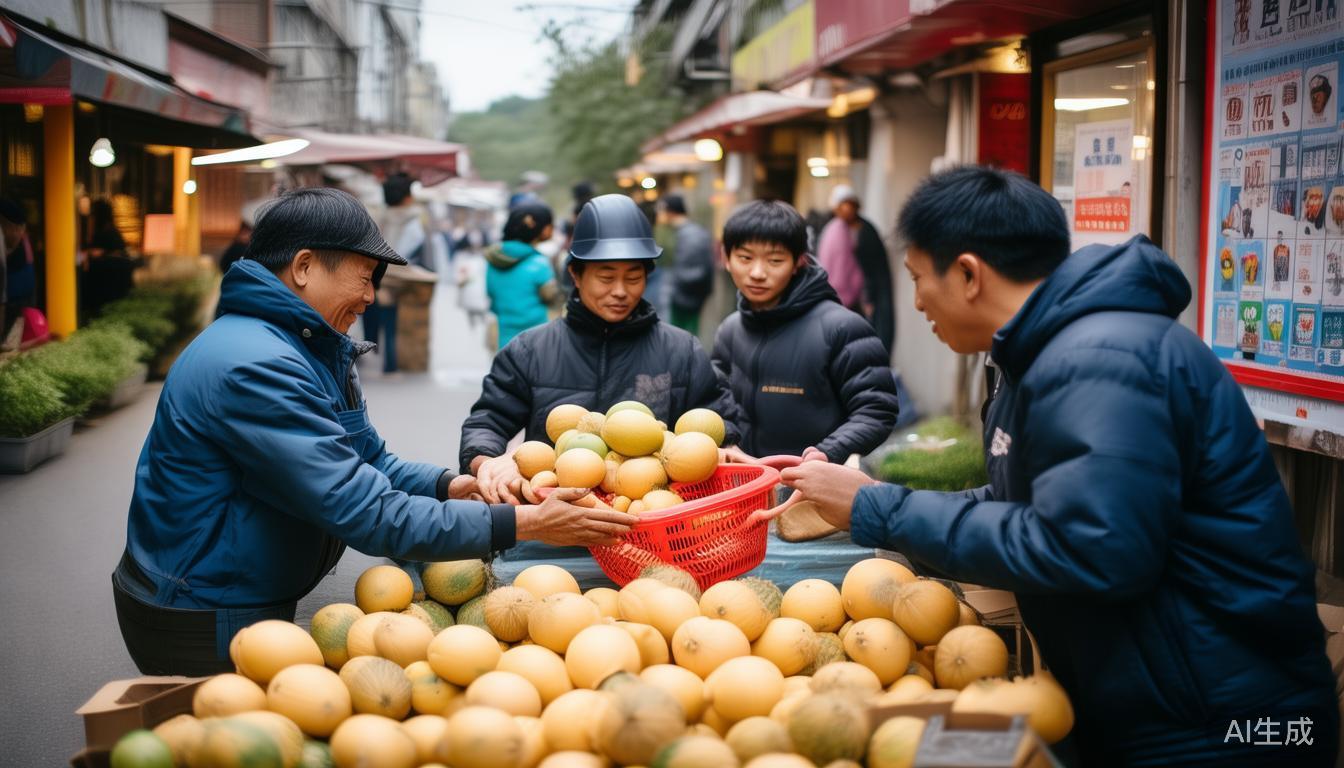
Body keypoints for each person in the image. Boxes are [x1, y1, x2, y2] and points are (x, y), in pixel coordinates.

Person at [764, 166, 1337, 767]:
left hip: (1214, 728)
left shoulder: (1103, 358)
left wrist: (878, 508)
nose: (916, 302)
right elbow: (1025, 508)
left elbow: (1092, 546)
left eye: (917, 277)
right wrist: (869, 500)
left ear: (968, 273)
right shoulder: (1045, 355)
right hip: (1142, 704)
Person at [114, 188, 633, 675]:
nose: (369, 297)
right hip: (201, 606)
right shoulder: (256, 365)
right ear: (303, 267)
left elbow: (368, 460)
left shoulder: (305, 347)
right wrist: (525, 523)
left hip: (234, 590)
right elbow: (367, 513)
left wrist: (447, 485)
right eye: (364, 277)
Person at [461, 193, 742, 505]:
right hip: (553, 516)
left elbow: (719, 418)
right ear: (575, 275)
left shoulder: (681, 350)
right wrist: (486, 463)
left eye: (633, 277)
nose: (620, 291)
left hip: (650, 520)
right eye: (606, 278)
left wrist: (724, 445)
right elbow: (488, 420)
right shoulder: (530, 350)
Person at [712, 199, 898, 463]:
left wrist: (823, 454)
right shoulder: (730, 329)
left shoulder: (842, 327)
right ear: (726, 258)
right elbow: (715, 397)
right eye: (745, 258)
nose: (757, 273)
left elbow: (876, 409)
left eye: (775, 260)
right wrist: (729, 441)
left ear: (799, 261)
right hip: (744, 480)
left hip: (813, 481)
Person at [816, 185, 895, 352]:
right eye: (842, 206)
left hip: (868, 294)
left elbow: (872, 268)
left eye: (849, 205)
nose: (846, 210)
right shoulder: (836, 229)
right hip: (846, 296)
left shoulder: (866, 231)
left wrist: (868, 298)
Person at [486, 201, 560, 348]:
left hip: (504, 339)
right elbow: (551, 298)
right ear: (544, 229)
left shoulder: (492, 260)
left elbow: (491, 297)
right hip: (536, 339)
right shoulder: (539, 262)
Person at [658, 194, 715, 335]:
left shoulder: (691, 235)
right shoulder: (686, 232)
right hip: (686, 295)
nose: (659, 214)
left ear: (669, 211)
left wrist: (673, 288)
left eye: (661, 210)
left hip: (686, 298)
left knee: (682, 335)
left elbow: (693, 272)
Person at [82, 198, 135, 318]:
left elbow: (97, 254)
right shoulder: (113, 231)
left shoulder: (104, 233)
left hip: (106, 282)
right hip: (118, 282)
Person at [0, 198, 35, 337]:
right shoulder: (23, 239)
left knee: (10, 339)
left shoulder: (17, 241)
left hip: (15, 298)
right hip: (21, 297)